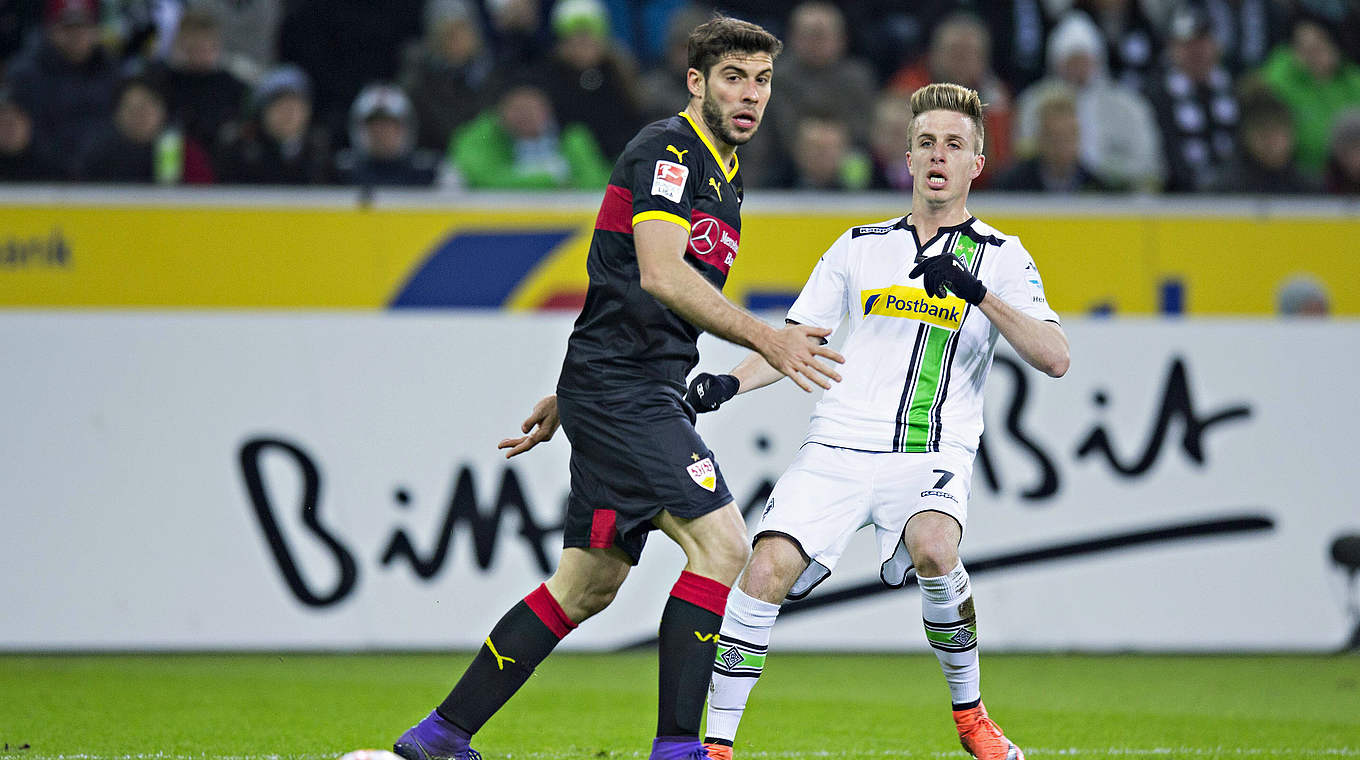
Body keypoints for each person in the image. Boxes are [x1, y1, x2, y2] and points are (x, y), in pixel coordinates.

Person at [390, 16, 844, 760]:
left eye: (762, 81)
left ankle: (441, 733)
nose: (751, 95)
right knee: (723, 545)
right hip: (628, 392)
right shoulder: (670, 151)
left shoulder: (727, 173)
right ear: (696, 82)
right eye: (733, 77)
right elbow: (662, 274)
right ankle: (677, 750)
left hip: (616, 387)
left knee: (587, 584)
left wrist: (573, 394)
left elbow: (620, 286)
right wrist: (768, 338)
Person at [693, 82, 1070, 760]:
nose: (938, 155)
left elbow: (1055, 357)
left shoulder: (1003, 256)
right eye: (926, 142)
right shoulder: (858, 247)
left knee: (934, 546)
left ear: (976, 163)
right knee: (765, 568)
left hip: (929, 451)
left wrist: (977, 293)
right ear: (906, 155)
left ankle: (971, 717)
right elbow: (796, 340)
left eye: (954, 144)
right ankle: (716, 748)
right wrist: (730, 381)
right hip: (837, 448)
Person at [445, 81, 611, 190]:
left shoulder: (572, 138)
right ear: (501, 111)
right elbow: (484, 179)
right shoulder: (480, 137)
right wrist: (552, 181)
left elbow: (595, 183)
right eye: (517, 109)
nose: (524, 116)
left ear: (546, 111)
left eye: (531, 108)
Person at [334, 83, 439, 187]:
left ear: (406, 128)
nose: (381, 133)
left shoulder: (428, 174)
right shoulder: (341, 173)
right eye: (374, 125)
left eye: (389, 125)